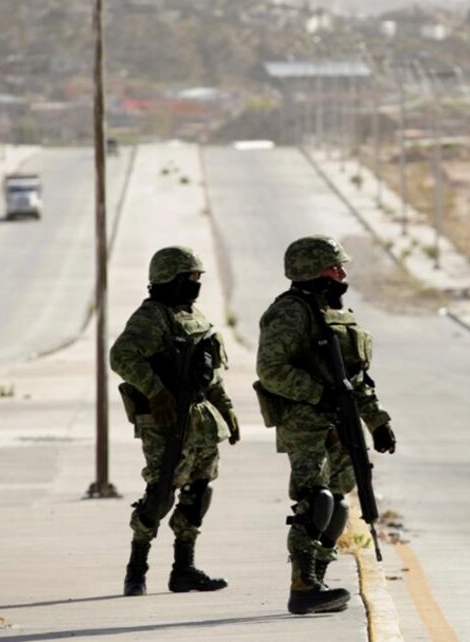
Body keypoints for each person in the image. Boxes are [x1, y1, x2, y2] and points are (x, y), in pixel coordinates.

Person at [255, 235, 397, 615]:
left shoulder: (337, 314)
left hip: (340, 423)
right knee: (316, 501)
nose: (342, 275)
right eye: (335, 269)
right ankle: (302, 585)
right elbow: (270, 369)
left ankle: (317, 579)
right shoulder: (290, 312)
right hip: (305, 423)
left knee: (339, 505)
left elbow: (357, 380)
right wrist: (318, 394)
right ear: (312, 272)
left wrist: (377, 422)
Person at [110, 246, 240, 596]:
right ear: (169, 278)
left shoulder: (194, 317)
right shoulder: (152, 317)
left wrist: (225, 409)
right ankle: (136, 569)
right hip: (165, 422)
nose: (196, 283)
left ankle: (184, 568)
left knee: (198, 492)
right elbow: (121, 356)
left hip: (201, 421)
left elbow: (210, 373)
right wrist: (155, 391)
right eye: (190, 277)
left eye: (198, 277)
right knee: (160, 494)